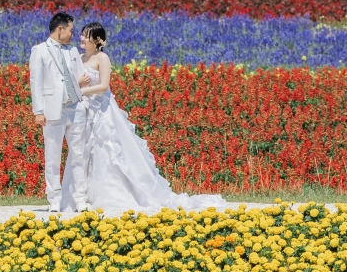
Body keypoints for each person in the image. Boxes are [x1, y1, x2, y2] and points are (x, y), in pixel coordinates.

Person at [60, 21, 226, 216]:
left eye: (86, 35)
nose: (82, 38)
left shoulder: (102, 58)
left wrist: (81, 90)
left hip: (103, 111)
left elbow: (104, 86)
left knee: (108, 150)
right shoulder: (79, 58)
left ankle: (111, 194)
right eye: (81, 34)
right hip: (86, 110)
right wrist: (76, 89)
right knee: (83, 152)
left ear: (97, 40)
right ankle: (82, 195)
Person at [29, 11, 88, 214]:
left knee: (78, 155)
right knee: (52, 156)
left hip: (75, 108)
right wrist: (38, 111)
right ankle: (54, 198)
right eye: (71, 30)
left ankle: (80, 198)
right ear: (60, 29)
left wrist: (83, 103)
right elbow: (35, 82)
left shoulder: (71, 52)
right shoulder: (40, 50)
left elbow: (82, 77)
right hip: (52, 110)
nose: (73, 34)